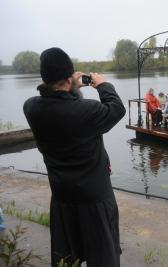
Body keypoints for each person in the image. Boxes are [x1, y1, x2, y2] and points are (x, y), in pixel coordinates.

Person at [23, 47, 125, 267]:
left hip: (62, 197)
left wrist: (72, 87)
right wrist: (103, 85)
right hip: (95, 198)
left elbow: (58, 103)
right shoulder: (86, 110)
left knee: (66, 259)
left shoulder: (31, 108)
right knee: (104, 258)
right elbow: (116, 109)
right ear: (68, 77)